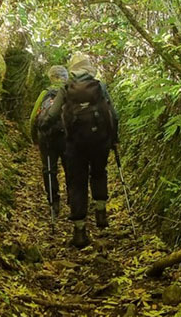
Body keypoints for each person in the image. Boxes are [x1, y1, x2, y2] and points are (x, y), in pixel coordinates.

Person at [44, 53, 118, 248]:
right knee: (99, 173)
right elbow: (114, 115)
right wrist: (113, 139)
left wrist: (43, 127)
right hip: (100, 142)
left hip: (75, 145)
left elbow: (52, 115)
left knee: (77, 183)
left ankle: (79, 231)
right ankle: (101, 213)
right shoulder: (99, 87)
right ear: (89, 69)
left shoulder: (66, 89)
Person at [29, 65, 70, 220]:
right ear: (65, 77)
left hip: (47, 138)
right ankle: (72, 199)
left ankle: (54, 203)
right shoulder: (70, 92)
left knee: (49, 169)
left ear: (51, 77)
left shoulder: (45, 93)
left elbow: (33, 117)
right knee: (70, 168)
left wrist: (34, 137)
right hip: (66, 137)